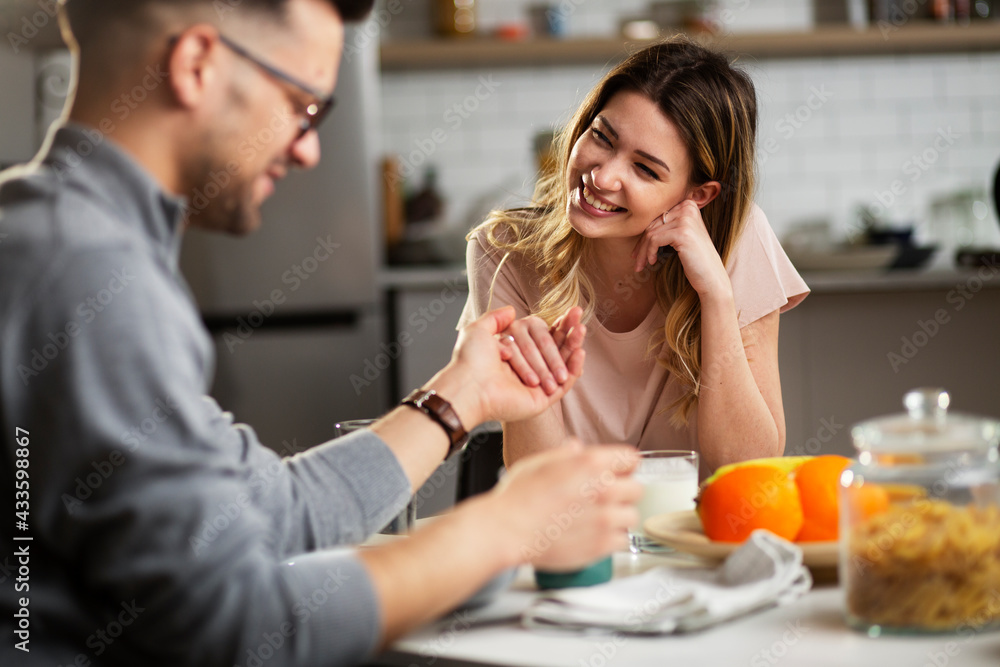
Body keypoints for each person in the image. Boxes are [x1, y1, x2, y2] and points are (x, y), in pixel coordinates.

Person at [0, 1, 643, 666]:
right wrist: (503, 528)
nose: (309, 149)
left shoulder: (52, 236)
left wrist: (461, 394)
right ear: (196, 65)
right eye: (303, 106)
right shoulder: (89, 274)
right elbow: (236, 625)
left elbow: (265, 510)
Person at [461, 39, 810, 476]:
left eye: (645, 169)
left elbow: (749, 471)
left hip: (698, 537)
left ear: (698, 195)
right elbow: (539, 481)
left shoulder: (737, 239)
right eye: (602, 137)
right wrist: (523, 368)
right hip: (573, 533)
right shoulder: (505, 250)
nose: (603, 176)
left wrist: (716, 294)